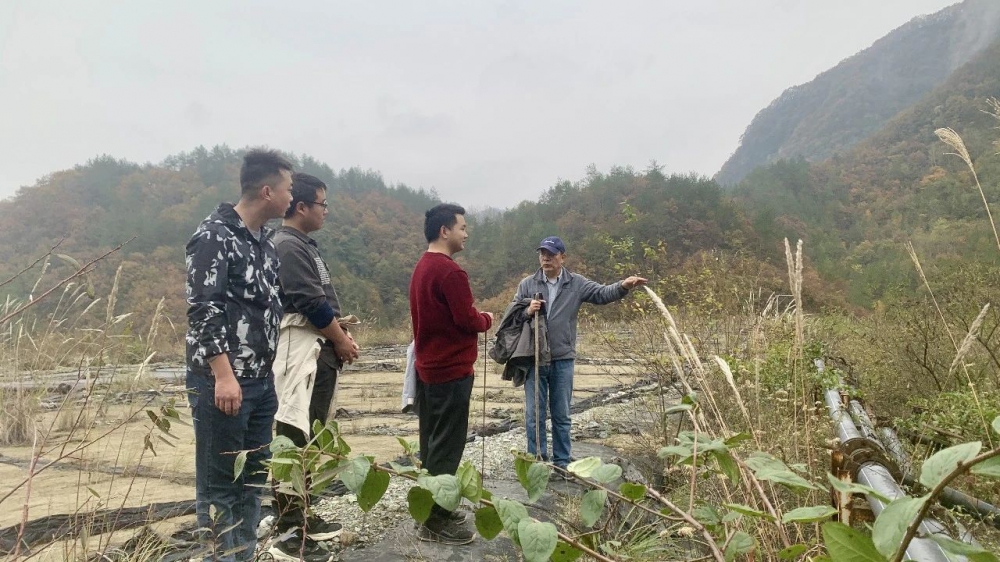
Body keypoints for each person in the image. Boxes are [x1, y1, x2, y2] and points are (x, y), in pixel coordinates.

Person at [185, 148, 294, 561]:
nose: (291, 197)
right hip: (224, 383)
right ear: (267, 191)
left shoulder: (264, 242)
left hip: (261, 382)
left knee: (252, 481)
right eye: (287, 190)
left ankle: (244, 556)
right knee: (219, 487)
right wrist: (223, 375)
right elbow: (203, 308)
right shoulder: (214, 235)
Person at [268, 173, 360, 561]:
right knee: (294, 433)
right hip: (302, 347)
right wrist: (340, 339)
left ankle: (300, 514)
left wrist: (339, 337)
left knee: (309, 434)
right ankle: (290, 529)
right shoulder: (287, 245)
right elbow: (310, 301)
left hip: (317, 346)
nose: (326, 211)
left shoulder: (303, 245)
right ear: (302, 206)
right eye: (323, 204)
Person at [511, 236, 646, 474]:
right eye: (542, 254)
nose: (545, 258)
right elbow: (512, 316)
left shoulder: (576, 283)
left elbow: (602, 294)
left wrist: (623, 286)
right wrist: (527, 310)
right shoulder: (528, 284)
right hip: (535, 358)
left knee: (562, 414)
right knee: (534, 415)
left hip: (563, 357)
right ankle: (537, 463)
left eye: (551, 254)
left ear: (562, 257)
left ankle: (562, 463)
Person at [408, 203, 493, 545]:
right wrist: (486, 319)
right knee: (448, 445)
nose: (466, 233)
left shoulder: (422, 267)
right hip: (451, 371)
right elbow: (467, 319)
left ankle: (431, 508)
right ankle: (435, 522)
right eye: (462, 227)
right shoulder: (450, 273)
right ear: (445, 231)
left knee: (431, 442)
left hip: (428, 369)